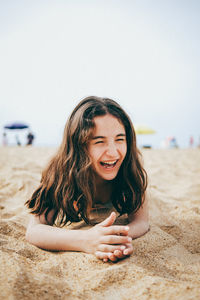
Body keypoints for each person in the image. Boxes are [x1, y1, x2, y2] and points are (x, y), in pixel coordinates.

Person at [25, 96, 149, 262]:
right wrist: (86, 240)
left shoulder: (130, 168)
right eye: (99, 141)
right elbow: (34, 230)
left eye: (120, 139)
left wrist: (112, 238)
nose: (113, 152)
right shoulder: (60, 172)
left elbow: (141, 222)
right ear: (79, 146)